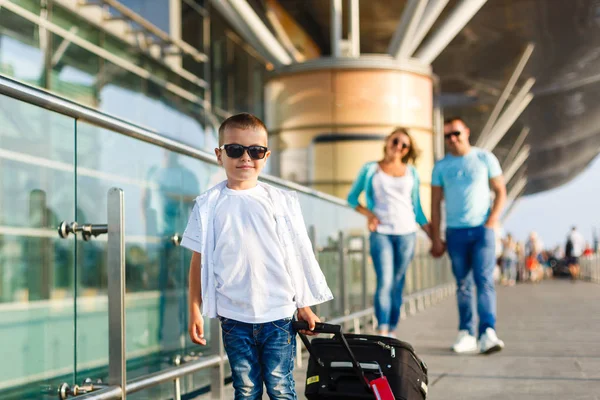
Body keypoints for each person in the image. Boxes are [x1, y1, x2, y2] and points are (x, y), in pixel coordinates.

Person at [181, 113, 333, 399]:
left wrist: (305, 305)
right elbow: (197, 262)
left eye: (256, 151)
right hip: (233, 316)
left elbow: (297, 258)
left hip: (278, 315)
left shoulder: (280, 202)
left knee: (280, 387)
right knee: (246, 388)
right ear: (219, 154)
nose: (246, 158)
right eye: (235, 150)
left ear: (266, 156)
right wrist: (194, 309)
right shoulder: (208, 205)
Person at [430, 117, 507, 354]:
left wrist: (492, 220)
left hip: (482, 231)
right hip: (455, 232)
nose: (452, 139)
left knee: (484, 281)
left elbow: (500, 191)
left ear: (466, 132)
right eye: (447, 136)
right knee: (463, 284)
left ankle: (487, 332)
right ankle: (466, 333)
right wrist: (435, 237)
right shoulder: (441, 167)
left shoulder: (484, 158)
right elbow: (434, 204)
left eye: (456, 133)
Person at [347, 127, 431, 337]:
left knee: (398, 281)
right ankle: (383, 329)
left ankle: (392, 328)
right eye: (395, 142)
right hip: (381, 232)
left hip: (407, 233)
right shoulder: (370, 169)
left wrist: (434, 237)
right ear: (387, 142)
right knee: (384, 281)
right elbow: (351, 198)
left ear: (407, 150)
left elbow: (417, 208)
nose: (399, 147)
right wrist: (370, 215)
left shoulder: (411, 172)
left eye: (404, 145)